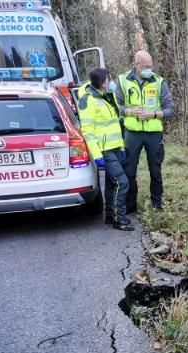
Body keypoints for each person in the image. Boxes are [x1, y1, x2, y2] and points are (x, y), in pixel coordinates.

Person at [114, 51, 174, 213]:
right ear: (136, 65)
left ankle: (157, 205)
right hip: (132, 133)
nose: (150, 69)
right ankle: (130, 206)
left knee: (155, 171)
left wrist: (153, 114)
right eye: (146, 66)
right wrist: (130, 112)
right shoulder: (123, 80)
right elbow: (115, 107)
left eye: (151, 66)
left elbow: (170, 109)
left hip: (154, 134)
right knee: (129, 171)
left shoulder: (159, 82)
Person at [77, 68, 133, 231]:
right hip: (104, 151)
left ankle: (110, 215)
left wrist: (121, 146)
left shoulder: (108, 96)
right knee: (122, 182)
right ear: (102, 82)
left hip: (115, 148)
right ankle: (119, 219)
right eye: (109, 79)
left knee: (111, 183)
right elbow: (88, 131)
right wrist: (96, 154)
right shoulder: (88, 100)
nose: (111, 82)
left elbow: (114, 124)